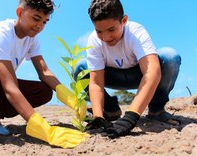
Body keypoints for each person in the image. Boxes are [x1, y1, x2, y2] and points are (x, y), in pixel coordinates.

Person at [0, 0, 88, 148]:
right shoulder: (1, 33)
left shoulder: (32, 39)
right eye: (36, 18)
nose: (40, 26)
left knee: (44, 91)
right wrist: (43, 128)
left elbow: (44, 71)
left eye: (45, 22)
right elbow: (10, 87)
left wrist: (71, 97)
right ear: (20, 12)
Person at [74, 0, 181, 138]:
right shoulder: (94, 40)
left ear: (124, 20)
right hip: (112, 77)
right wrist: (97, 116)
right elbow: (96, 83)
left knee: (170, 57)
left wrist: (132, 115)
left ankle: (156, 110)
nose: (105, 37)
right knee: (80, 68)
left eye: (111, 29)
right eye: (99, 31)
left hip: (139, 75)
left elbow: (152, 72)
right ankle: (110, 110)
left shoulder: (136, 32)